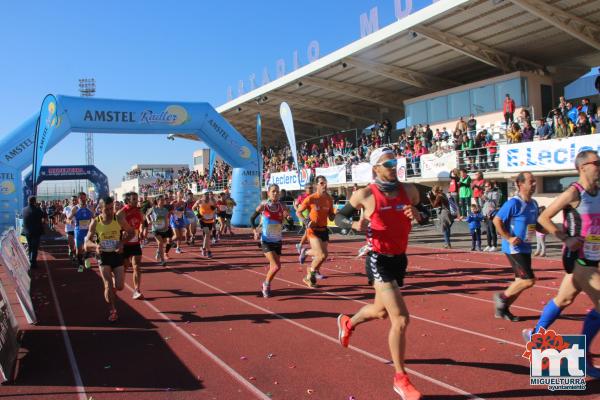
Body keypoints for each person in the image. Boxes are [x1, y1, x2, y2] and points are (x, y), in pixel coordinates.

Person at [335, 147, 428, 400]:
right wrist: (353, 224)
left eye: (395, 162)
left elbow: (427, 213)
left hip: (400, 259)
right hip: (378, 259)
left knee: (379, 312)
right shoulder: (365, 194)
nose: (393, 167)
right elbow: (339, 217)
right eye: (388, 163)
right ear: (376, 167)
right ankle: (401, 379)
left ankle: (348, 322)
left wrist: (419, 215)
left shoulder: (409, 190)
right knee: (400, 319)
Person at [522, 150, 600, 378]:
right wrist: (566, 238)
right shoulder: (574, 193)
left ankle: (536, 334)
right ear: (582, 167)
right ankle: (582, 357)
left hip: (595, 256)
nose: (599, 166)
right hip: (579, 258)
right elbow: (543, 218)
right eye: (597, 162)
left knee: (564, 298)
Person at [492, 172, 543, 321]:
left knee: (519, 283)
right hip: (514, 248)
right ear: (520, 184)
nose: (534, 184)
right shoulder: (513, 203)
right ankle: (501, 297)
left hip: (526, 247)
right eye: (531, 181)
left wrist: (551, 230)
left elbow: (536, 224)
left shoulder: (533, 203)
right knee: (528, 281)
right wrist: (508, 237)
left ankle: (502, 310)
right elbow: (497, 220)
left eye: (534, 181)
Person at [84, 196, 125, 322]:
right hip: (103, 256)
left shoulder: (118, 219)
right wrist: (95, 246)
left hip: (116, 255)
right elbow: (86, 243)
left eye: (111, 208)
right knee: (107, 285)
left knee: (119, 286)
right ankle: (113, 310)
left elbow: (131, 232)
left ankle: (112, 290)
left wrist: (122, 243)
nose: (109, 211)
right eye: (106, 209)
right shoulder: (96, 222)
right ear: (100, 209)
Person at [296, 175, 336, 288]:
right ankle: (310, 273)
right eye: (322, 183)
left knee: (324, 255)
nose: (325, 185)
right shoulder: (311, 198)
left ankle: (307, 262)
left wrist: (335, 215)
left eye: (325, 183)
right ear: (316, 185)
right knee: (321, 254)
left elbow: (331, 217)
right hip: (313, 230)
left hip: (323, 229)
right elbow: (298, 212)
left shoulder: (329, 199)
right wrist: (306, 221)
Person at [250, 184, 289, 298]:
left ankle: (266, 283)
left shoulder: (282, 206)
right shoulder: (264, 205)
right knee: (276, 266)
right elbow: (252, 218)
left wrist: (288, 218)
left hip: (277, 240)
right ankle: (266, 285)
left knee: (275, 267)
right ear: (268, 193)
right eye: (273, 191)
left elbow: (287, 219)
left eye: (277, 191)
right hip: (266, 241)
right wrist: (255, 231)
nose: (275, 193)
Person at [116, 191, 144, 300]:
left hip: (135, 242)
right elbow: (117, 228)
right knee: (125, 266)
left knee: (137, 266)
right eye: (134, 199)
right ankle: (117, 282)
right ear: (128, 200)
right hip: (125, 243)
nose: (136, 201)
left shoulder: (139, 211)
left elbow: (143, 223)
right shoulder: (121, 213)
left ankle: (136, 290)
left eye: (137, 199)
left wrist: (142, 231)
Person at [69, 192, 94, 272]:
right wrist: (70, 221)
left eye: (84, 198)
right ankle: (80, 265)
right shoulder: (75, 208)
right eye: (81, 198)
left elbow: (94, 218)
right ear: (78, 199)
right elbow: (68, 218)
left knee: (88, 248)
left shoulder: (90, 207)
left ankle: (86, 259)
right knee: (79, 250)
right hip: (78, 231)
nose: (83, 200)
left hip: (88, 231)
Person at [147, 195, 172, 266]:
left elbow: (166, 219)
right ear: (157, 201)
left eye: (163, 200)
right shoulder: (153, 209)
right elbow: (147, 215)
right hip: (155, 229)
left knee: (163, 242)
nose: (162, 201)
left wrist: (167, 226)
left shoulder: (165, 210)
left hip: (164, 229)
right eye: (161, 200)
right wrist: (149, 220)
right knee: (160, 243)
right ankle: (162, 260)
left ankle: (158, 251)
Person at [22, 196, 45, 269]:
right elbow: (44, 216)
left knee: (30, 247)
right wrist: (40, 207)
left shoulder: (23, 210)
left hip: (27, 232)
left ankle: (30, 260)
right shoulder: (37, 210)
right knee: (34, 248)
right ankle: (33, 262)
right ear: (35, 201)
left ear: (28, 201)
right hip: (36, 232)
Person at [195, 190, 217, 258]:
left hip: (210, 220)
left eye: (207, 194)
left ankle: (204, 249)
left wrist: (214, 208)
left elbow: (215, 208)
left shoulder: (212, 201)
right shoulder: (200, 201)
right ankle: (208, 251)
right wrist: (198, 215)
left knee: (207, 236)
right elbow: (193, 208)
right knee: (207, 235)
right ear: (203, 195)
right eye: (205, 194)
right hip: (203, 221)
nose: (207, 195)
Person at [294, 184, 314, 253]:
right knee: (310, 232)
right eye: (309, 188)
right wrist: (299, 212)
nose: (311, 189)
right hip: (306, 217)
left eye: (311, 188)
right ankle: (314, 249)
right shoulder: (301, 197)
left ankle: (300, 245)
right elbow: (295, 205)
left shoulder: (314, 196)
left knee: (308, 232)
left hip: (313, 216)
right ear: (305, 189)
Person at [481, 181, 500, 252]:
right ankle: (489, 245)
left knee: (492, 230)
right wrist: (482, 198)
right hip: (485, 213)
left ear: (490, 186)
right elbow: (483, 203)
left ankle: (494, 245)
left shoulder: (495, 193)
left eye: (487, 186)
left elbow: (494, 203)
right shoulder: (486, 193)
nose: (485, 188)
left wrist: (486, 198)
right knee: (488, 231)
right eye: (485, 186)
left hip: (492, 214)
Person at [63, 196, 77, 260]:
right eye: (73, 200)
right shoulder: (66, 208)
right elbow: (63, 219)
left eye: (75, 200)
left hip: (77, 229)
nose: (74, 201)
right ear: (70, 201)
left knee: (77, 245)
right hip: (69, 229)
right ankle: (72, 252)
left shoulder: (79, 208)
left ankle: (75, 255)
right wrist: (67, 221)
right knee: (71, 245)